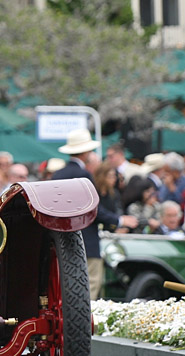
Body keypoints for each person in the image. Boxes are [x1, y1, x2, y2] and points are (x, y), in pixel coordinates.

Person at [51, 129, 137, 300]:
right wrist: (119, 221)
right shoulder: (83, 175)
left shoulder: (57, 174)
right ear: (86, 152)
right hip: (86, 241)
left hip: (59, 240)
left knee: (63, 289)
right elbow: (92, 208)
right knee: (89, 288)